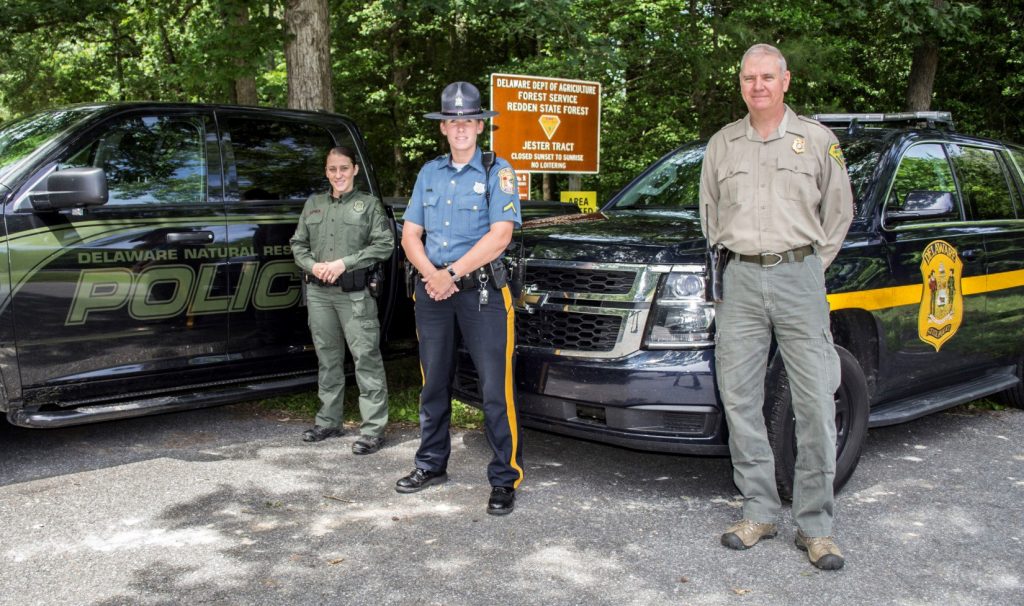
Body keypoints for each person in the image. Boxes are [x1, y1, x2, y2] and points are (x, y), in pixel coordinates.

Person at [699, 44, 854, 570]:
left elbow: (839, 212)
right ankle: (759, 509)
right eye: (749, 78)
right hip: (738, 279)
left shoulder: (816, 140)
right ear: (740, 83)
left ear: (786, 80)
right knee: (738, 396)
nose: (757, 85)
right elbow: (710, 216)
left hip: (800, 277)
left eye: (767, 76)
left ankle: (815, 525)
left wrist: (808, 267)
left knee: (813, 400)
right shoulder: (722, 145)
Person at [395, 81, 524, 515]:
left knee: (494, 389)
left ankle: (504, 478)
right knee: (433, 383)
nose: (461, 128)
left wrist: (450, 273)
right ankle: (431, 464)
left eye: (468, 120)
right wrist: (434, 277)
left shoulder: (497, 172)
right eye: (453, 121)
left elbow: (500, 236)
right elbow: (411, 235)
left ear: (479, 126)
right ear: (444, 129)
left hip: (483, 293)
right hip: (433, 293)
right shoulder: (429, 173)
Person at [290, 146, 394, 454]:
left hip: (354, 294)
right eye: (333, 169)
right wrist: (312, 265)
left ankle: (373, 429)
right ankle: (328, 421)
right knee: (328, 358)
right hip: (319, 293)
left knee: (366, 358)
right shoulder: (313, 204)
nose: (338, 175)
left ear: (355, 170)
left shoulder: (368, 205)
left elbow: (384, 244)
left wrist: (343, 264)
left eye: (344, 168)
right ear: (326, 171)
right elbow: (298, 243)